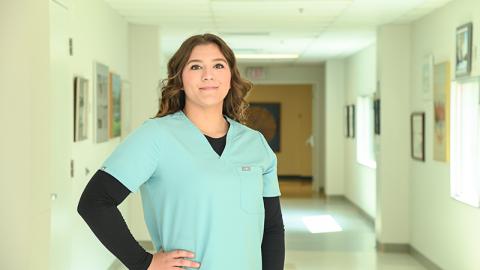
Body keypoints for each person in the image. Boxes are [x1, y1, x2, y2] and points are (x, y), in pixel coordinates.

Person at [77, 33, 285, 270]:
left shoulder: (255, 144)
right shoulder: (156, 136)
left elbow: (272, 228)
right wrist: (143, 262)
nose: (208, 75)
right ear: (180, 78)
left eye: (218, 65)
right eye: (196, 66)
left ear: (230, 77)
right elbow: (95, 201)